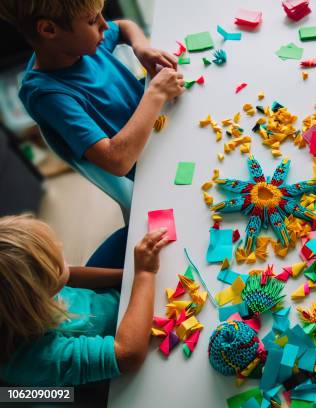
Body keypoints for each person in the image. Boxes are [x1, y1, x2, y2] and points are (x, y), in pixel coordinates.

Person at [0, 0, 185, 180]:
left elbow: (124, 26)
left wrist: (141, 48)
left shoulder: (78, 46)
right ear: (49, 29)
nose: (104, 25)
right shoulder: (48, 96)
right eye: (92, 20)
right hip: (153, 165)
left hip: (164, 124)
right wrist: (156, 93)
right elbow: (116, 161)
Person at [0, 215, 171, 385]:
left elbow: (71, 276)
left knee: (135, 233)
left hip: (115, 304)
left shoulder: (28, 292)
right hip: (124, 347)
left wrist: (128, 276)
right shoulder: (39, 359)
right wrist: (145, 273)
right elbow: (128, 355)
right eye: (57, 265)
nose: (59, 248)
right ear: (33, 300)